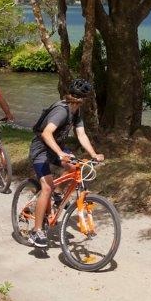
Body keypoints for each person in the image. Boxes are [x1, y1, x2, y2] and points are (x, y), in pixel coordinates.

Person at [25, 78, 105, 248]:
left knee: (76, 167)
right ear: (84, 99)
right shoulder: (61, 111)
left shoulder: (76, 112)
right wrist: (61, 154)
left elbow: (81, 135)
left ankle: (58, 193)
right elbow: (47, 134)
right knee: (46, 187)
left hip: (57, 147)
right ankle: (36, 231)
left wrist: (93, 154)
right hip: (41, 149)